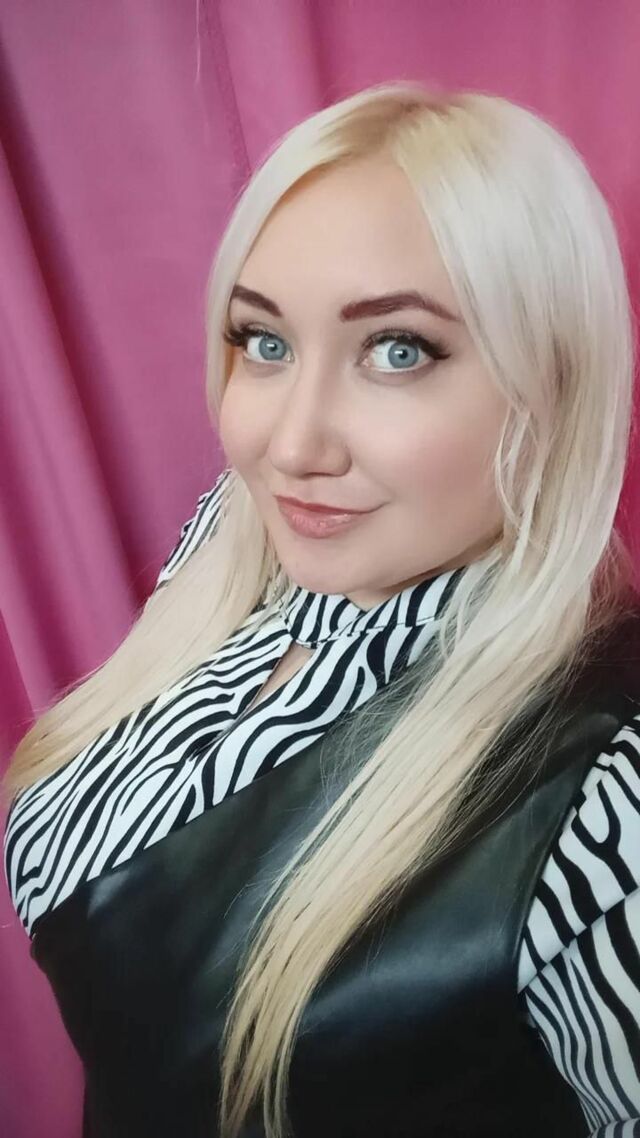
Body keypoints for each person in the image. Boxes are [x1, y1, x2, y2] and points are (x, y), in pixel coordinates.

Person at [2, 80, 640, 1138]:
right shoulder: (242, 536)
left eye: (398, 350)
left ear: (554, 385)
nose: (289, 445)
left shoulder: (609, 804)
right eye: (264, 341)